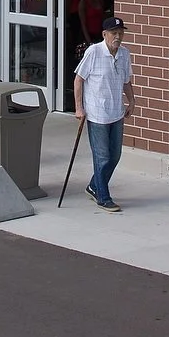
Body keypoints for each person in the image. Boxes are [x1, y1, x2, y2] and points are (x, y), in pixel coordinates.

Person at [73, 16, 133, 211]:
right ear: (104, 34)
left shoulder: (124, 54)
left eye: (120, 33)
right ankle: (103, 197)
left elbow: (126, 81)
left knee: (115, 155)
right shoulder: (94, 52)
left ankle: (94, 186)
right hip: (97, 114)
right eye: (114, 33)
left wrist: (131, 101)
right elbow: (79, 79)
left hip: (117, 112)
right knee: (102, 157)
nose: (118, 37)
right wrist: (79, 108)